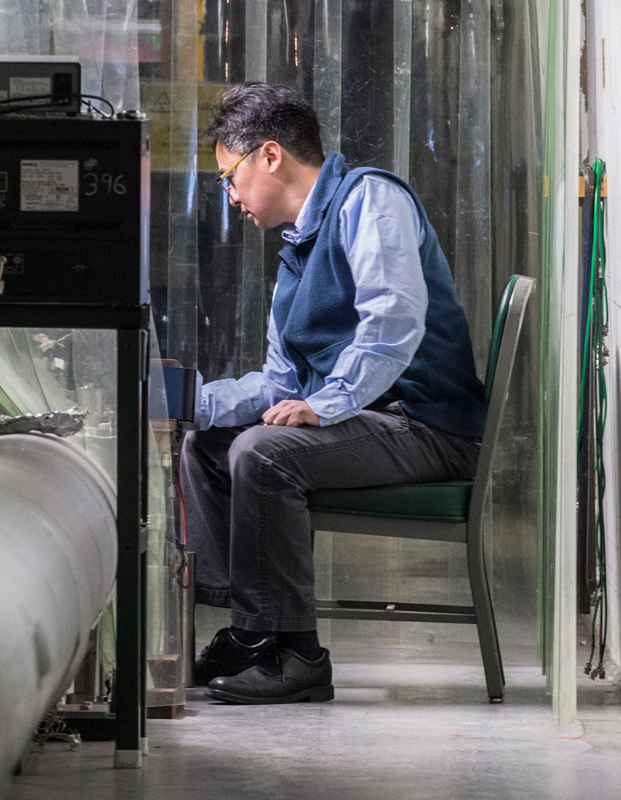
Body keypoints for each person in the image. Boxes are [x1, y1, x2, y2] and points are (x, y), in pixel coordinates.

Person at [181, 83, 488, 705]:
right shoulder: (298, 248)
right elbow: (278, 384)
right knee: (206, 443)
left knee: (262, 453)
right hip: (373, 420)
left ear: (270, 157)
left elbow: (393, 323)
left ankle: (296, 652)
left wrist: (326, 405)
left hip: (426, 425)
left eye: (229, 177)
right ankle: (249, 632)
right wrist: (188, 399)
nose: (230, 195)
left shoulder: (370, 200)